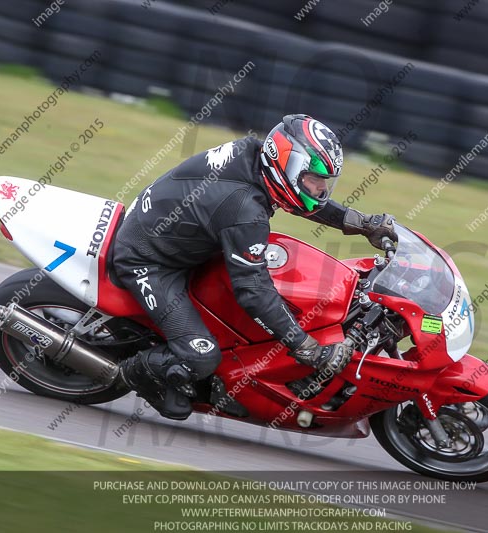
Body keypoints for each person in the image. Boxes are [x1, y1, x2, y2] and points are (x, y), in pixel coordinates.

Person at [113, 114, 397, 420]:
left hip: (180, 238)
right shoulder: (244, 211)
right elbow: (252, 291)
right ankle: (127, 372)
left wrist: (362, 224)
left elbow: (299, 196)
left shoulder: (254, 154)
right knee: (202, 356)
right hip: (149, 261)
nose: (319, 189)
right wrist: (307, 347)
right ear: (287, 164)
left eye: (323, 181)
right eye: (314, 179)